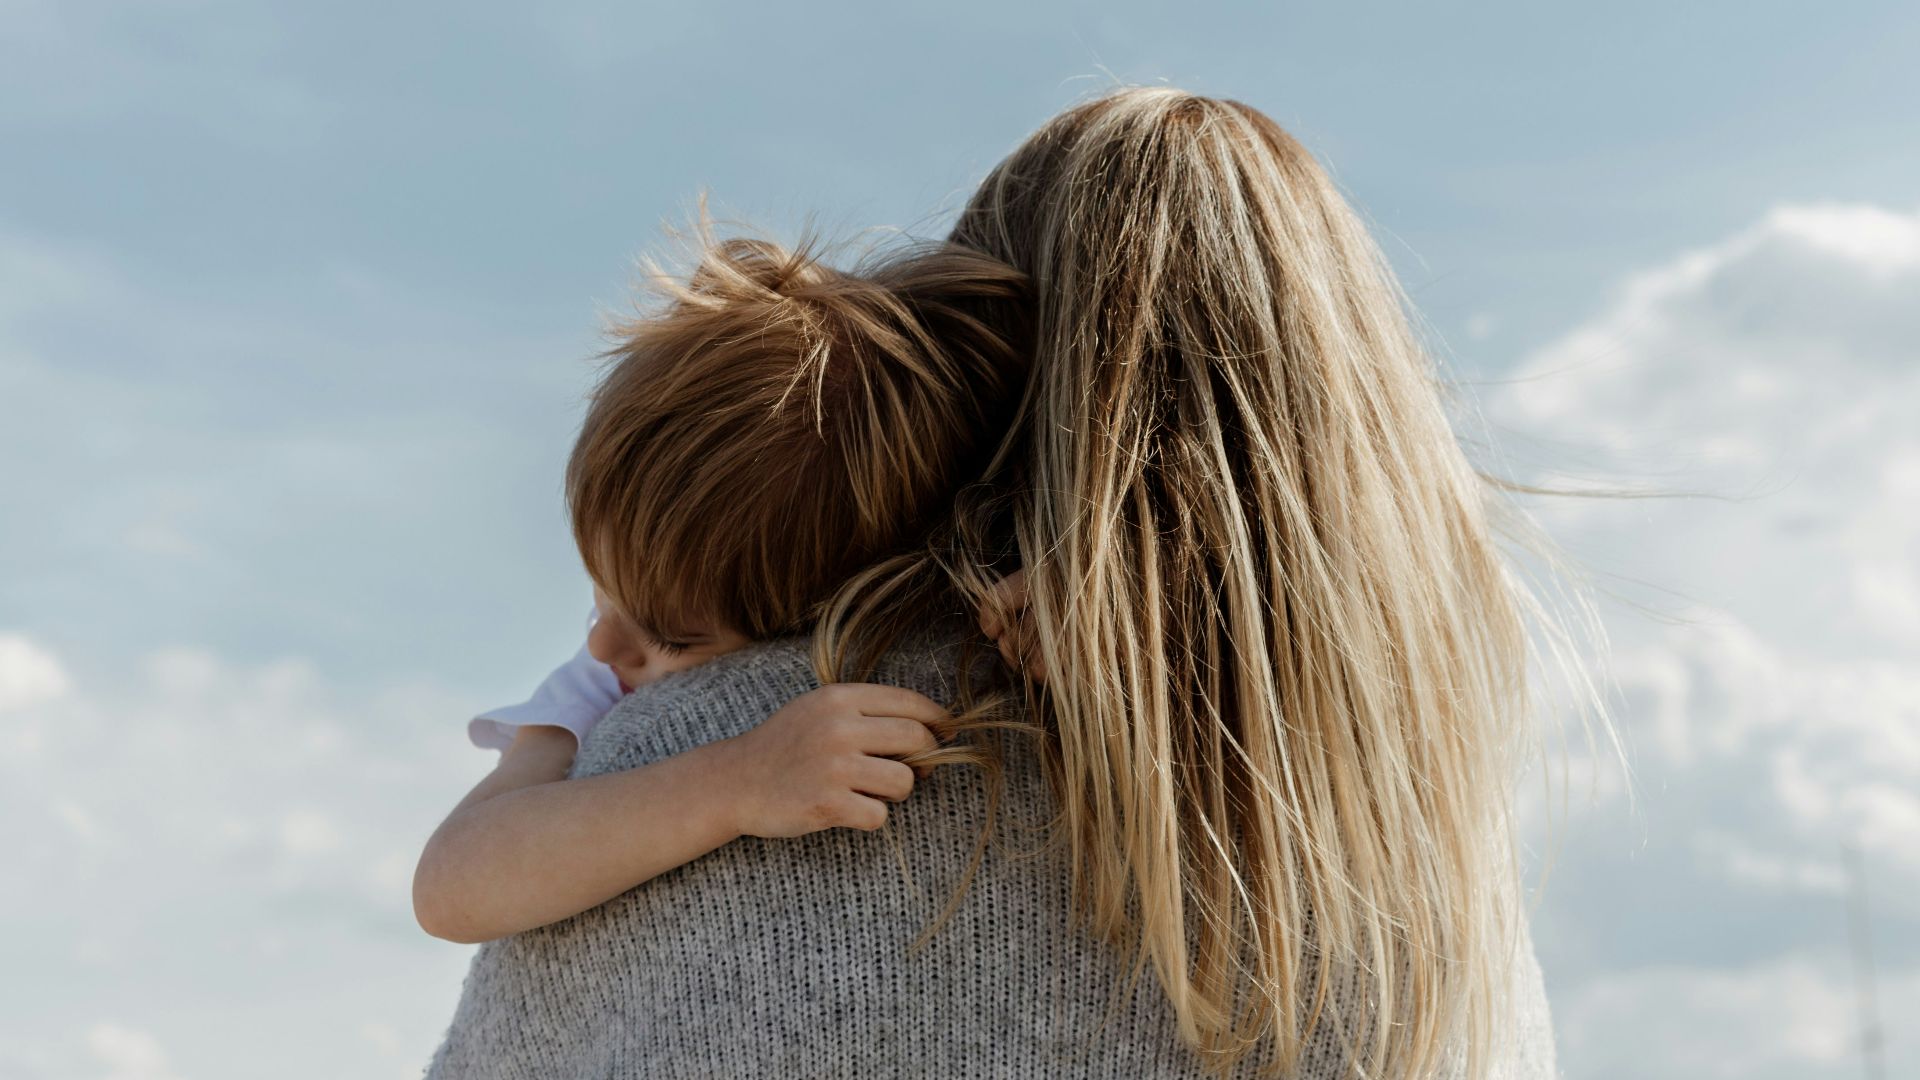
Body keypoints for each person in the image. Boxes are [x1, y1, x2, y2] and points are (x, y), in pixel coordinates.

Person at [425, 86, 1608, 1079]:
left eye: (673, 629)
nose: (610, 647)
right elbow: (458, 873)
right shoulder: (1426, 861)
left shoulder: (718, 745)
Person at [411, 227, 1033, 945]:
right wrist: (736, 781)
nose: (603, 644)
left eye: (670, 637)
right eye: (601, 588)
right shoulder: (593, 690)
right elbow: (451, 887)